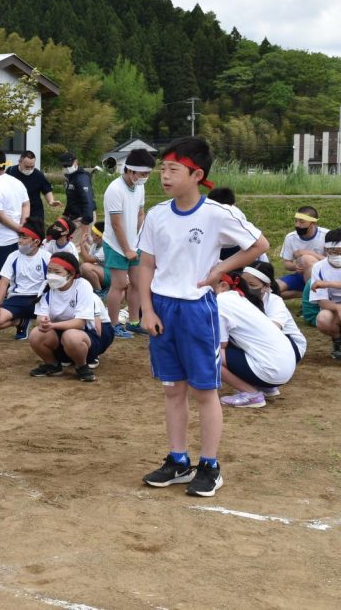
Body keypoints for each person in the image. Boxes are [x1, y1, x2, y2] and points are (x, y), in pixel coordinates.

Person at [137, 136, 269, 498]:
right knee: (171, 389)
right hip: (162, 308)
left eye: (172, 169)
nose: (164, 175)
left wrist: (220, 269)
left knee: (205, 391)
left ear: (196, 174)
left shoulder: (217, 213)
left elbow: (259, 245)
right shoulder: (157, 214)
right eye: (162, 168)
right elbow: (146, 263)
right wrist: (146, 309)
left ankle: (209, 465)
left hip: (197, 310)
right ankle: (178, 460)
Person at [214, 272, 296, 408]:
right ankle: (265, 387)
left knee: (205, 354)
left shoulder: (220, 301)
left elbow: (221, 344)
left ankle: (251, 394)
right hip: (284, 368)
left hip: (270, 370)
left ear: (223, 285)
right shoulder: (239, 298)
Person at [102, 148, 155, 339]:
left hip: (134, 244)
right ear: (130, 170)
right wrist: (126, 249)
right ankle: (112, 324)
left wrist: (141, 240)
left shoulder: (139, 187)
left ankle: (133, 322)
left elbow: (141, 213)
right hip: (116, 244)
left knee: (137, 284)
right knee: (119, 285)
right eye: (143, 174)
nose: (145, 178)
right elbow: (116, 224)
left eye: (148, 174)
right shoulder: (115, 189)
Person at [27, 252, 97, 383]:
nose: (51, 275)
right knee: (36, 334)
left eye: (57, 272)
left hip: (85, 336)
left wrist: (52, 325)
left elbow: (80, 323)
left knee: (71, 336)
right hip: (58, 335)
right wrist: (43, 322)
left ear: (70, 274)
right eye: (49, 271)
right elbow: (40, 316)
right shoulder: (45, 286)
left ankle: (82, 366)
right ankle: (52, 365)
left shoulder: (82, 285)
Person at [0, 217, 50, 340]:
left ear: (36, 242)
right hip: (17, 299)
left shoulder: (46, 257)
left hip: (40, 299)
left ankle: (32, 321)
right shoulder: (13, 256)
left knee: (44, 325)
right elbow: (3, 283)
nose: (20, 241)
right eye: (19, 237)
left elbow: (52, 284)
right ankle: (21, 322)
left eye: (24, 238)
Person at [0, 149, 29, 313]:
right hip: (19, 239)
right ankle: (7, 308)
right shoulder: (16, 182)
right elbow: (26, 204)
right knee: (15, 276)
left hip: (0, 239)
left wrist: (19, 228)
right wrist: (23, 226)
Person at [240, 261, 307, 373]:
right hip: (262, 344)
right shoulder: (237, 298)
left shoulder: (274, 301)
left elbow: (273, 331)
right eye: (242, 284)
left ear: (266, 286)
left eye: (252, 285)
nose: (246, 288)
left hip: (290, 346)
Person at [277, 206, 327, 299]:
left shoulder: (327, 236)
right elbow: (286, 263)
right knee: (272, 290)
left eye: (302, 222)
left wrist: (308, 253)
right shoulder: (290, 237)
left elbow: (335, 261)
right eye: (296, 221)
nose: (297, 225)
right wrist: (295, 267)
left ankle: (312, 302)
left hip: (323, 277)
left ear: (313, 223)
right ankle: (306, 295)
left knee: (307, 258)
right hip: (300, 275)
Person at [308, 228, 341, 360]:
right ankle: (338, 342)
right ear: (325, 250)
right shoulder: (319, 267)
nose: (336, 255)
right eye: (332, 251)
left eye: (339, 251)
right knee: (323, 319)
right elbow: (321, 301)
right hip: (334, 309)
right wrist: (338, 307)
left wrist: (327, 283)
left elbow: (323, 286)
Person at [4, 150, 62, 221]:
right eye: (27, 166)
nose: (29, 169)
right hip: (15, 210)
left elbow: (46, 190)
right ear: (20, 162)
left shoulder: (38, 175)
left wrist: (51, 201)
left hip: (35, 211)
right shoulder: (10, 171)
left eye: (32, 166)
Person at [59, 151, 95, 242]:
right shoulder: (71, 177)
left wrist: (86, 221)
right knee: (85, 246)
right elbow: (72, 199)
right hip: (74, 216)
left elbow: (88, 199)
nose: (67, 168)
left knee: (75, 246)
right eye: (65, 166)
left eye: (69, 165)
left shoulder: (81, 178)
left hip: (83, 216)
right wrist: (65, 215)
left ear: (76, 162)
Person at [79, 222, 110, 296]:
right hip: (103, 271)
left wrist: (81, 245)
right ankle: (101, 287)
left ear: (99, 236)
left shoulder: (105, 248)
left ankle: (99, 292)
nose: (91, 236)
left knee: (85, 267)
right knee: (81, 269)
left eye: (92, 234)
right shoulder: (95, 244)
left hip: (113, 276)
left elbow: (88, 260)